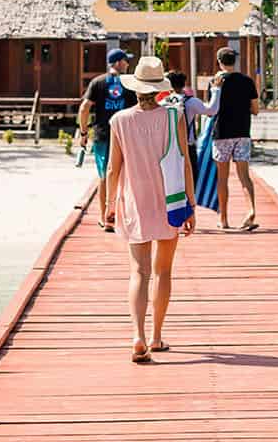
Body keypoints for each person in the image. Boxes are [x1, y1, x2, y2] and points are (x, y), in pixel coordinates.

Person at [105, 56, 195, 363]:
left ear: (135, 88)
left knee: (139, 272)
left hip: (135, 202)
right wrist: (191, 204)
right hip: (171, 200)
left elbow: (113, 169)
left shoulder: (119, 121)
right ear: (160, 89)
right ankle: (157, 337)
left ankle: (138, 337)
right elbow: (184, 162)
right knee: (163, 271)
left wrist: (109, 205)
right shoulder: (174, 117)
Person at [78, 48, 136, 231]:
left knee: (104, 175)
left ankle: (105, 217)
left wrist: (83, 133)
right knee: (127, 176)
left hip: (102, 134)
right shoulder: (129, 83)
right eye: (125, 60)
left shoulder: (98, 82)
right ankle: (125, 216)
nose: (127, 64)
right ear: (118, 62)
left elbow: (84, 108)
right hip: (125, 134)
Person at [210, 47, 260, 231]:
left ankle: (223, 219)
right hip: (242, 133)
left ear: (219, 62)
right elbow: (255, 109)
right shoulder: (247, 81)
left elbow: (212, 109)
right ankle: (251, 210)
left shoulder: (215, 82)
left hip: (222, 133)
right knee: (244, 176)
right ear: (235, 61)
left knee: (222, 178)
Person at [166, 70, 214, 175]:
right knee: (191, 176)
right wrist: (216, 90)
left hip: (169, 147)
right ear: (184, 84)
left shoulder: (164, 102)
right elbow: (211, 111)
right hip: (188, 146)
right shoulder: (192, 101)